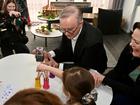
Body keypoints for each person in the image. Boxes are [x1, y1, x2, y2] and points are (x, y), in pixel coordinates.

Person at [42, 5, 107, 73]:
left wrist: (58, 66)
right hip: (77, 57)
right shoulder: (68, 28)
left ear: (80, 23)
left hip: (93, 68)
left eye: (70, 29)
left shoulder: (92, 40)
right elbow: (63, 49)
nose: (66, 34)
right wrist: (49, 54)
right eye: (63, 29)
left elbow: (83, 68)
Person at [92, 22, 140, 105]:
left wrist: (105, 80)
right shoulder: (130, 48)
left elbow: (135, 92)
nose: (131, 44)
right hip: (122, 84)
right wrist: (102, 79)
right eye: (131, 38)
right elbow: (118, 70)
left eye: (137, 42)